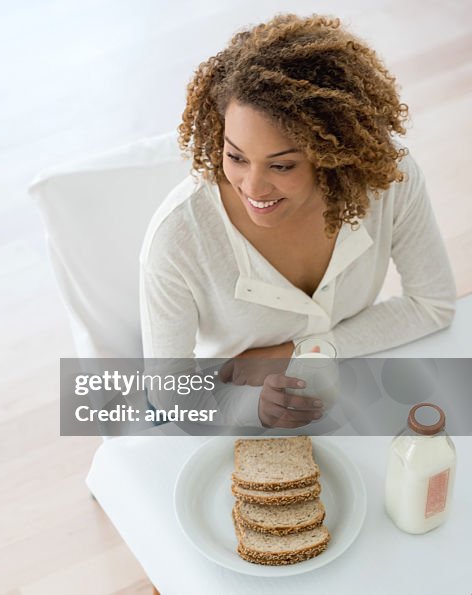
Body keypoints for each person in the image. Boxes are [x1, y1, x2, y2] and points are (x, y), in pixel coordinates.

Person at [140, 14, 456, 428]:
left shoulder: (387, 181)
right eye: (235, 156)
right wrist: (253, 408)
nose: (252, 186)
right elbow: (167, 391)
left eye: (282, 166)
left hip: (347, 389)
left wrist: (303, 351)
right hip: (224, 410)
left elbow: (432, 305)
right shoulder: (179, 238)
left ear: (332, 156)